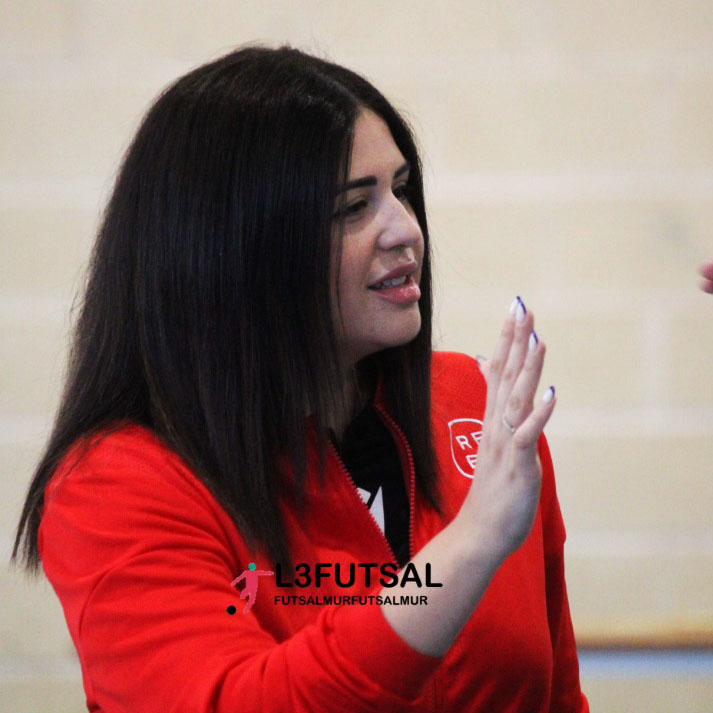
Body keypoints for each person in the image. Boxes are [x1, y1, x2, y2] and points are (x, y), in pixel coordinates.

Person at [11, 45, 588, 712]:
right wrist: (468, 548)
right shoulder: (118, 481)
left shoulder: (472, 405)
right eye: (353, 207)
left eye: (400, 189)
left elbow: (559, 696)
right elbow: (238, 700)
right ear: (237, 250)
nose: (406, 230)